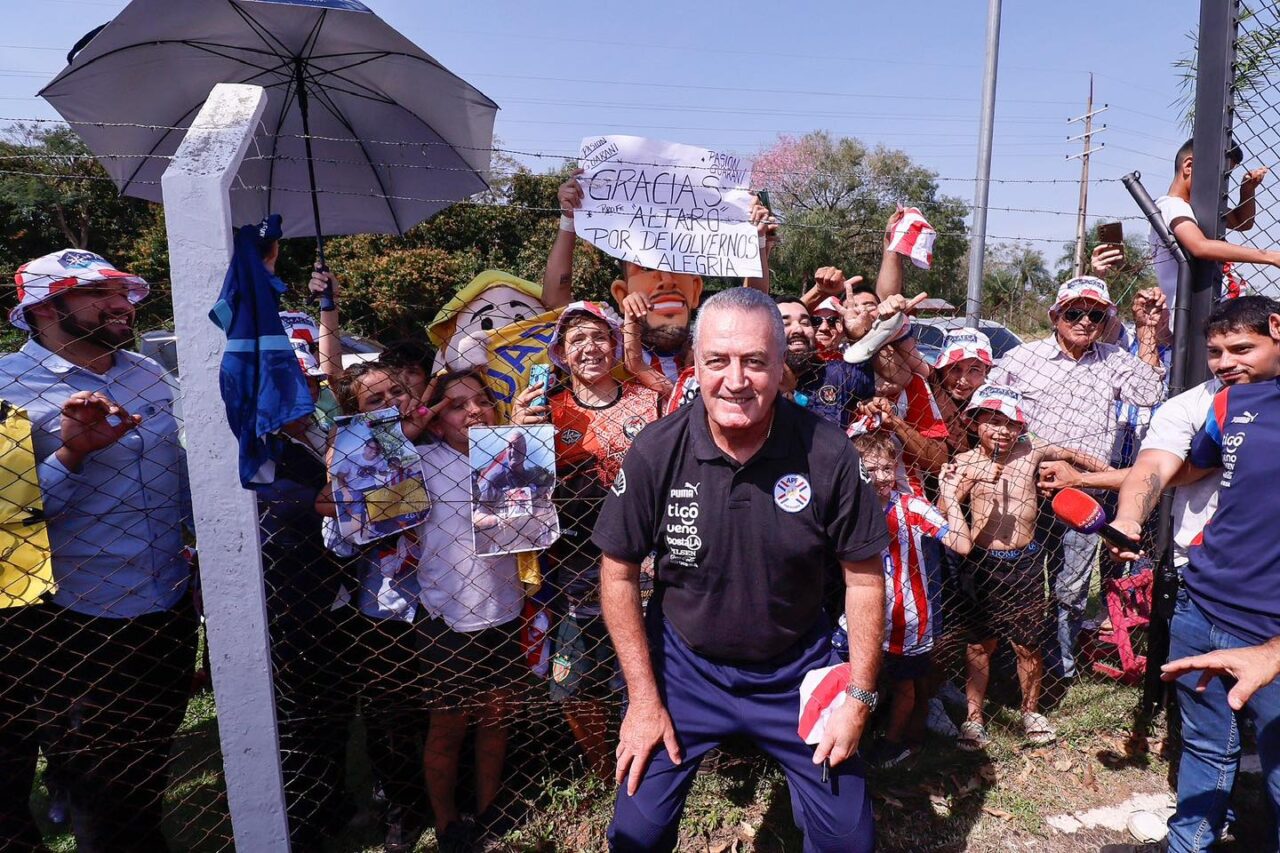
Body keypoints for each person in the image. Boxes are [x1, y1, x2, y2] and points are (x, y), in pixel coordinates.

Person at [593, 286, 890, 852]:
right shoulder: (657, 450)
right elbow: (618, 573)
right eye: (717, 361)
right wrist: (644, 699)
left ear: (780, 367)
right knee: (636, 836)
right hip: (683, 670)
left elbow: (864, 578)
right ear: (695, 363)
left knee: (848, 842)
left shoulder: (827, 452)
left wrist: (859, 695)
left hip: (797, 669)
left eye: (754, 361)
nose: (736, 380)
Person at [0, 249, 194, 851]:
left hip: (167, 600)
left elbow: (182, 473)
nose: (120, 304)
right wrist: (72, 454)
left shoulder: (148, 373)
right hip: (73, 615)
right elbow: (6, 517)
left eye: (122, 292)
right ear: (44, 309)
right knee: (101, 782)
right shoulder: (7, 385)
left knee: (148, 763)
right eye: (96, 294)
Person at [1108, 296, 1280, 852]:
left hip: (1272, 627)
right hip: (1202, 602)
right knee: (1205, 746)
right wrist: (1127, 512)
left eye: (1242, 348)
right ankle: (1190, 843)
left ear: (1278, 330)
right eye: (1216, 352)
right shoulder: (1228, 404)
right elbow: (1179, 466)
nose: (1226, 362)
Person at [510, 301, 662, 777]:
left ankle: (653, 760)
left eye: (599, 336)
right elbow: (517, 489)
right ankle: (602, 768)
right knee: (576, 676)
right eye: (577, 340)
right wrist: (516, 435)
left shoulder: (649, 399)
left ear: (615, 345)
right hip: (574, 560)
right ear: (560, 353)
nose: (590, 347)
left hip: (647, 555)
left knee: (648, 663)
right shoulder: (544, 410)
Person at [990, 276, 1167, 678]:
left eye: (1096, 315)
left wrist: (1147, 330)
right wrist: (1038, 453)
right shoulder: (1022, 358)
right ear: (1055, 315)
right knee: (1019, 581)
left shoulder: (1113, 359)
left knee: (1071, 587)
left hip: (1085, 490)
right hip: (1027, 485)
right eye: (1074, 312)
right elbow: (993, 414)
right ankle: (1012, 665)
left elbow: (1147, 393)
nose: (1085, 321)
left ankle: (1060, 668)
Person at [947, 385, 1111, 750]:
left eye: (1011, 423)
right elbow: (948, 508)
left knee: (1028, 643)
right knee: (980, 645)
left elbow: (1071, 453)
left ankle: (1030, 711)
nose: (1002, 430)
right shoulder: (965, 461)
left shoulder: (1031, 450)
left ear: (1021, 427)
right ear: (974, 423)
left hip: (1025, 562)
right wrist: (962, 485)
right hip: (982, 563)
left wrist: (1112, 475)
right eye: (992, 421)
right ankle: (974, 718)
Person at [416, 369, 529, 852]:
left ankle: (489, 809)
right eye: (457, 405)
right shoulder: (422, 462)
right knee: (447, 726)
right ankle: (447, 823)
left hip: (505, 608)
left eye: (480, 400)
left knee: (496, 719)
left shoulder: (514, 454)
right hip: (448, 617)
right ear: (437, 421)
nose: (473, 411)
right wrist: (415, 419)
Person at [851, 431, 971, 768]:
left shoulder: (911, 507)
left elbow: (962, 544)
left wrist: (949, 495)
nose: (881, 477)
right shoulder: (847, 508)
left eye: (887, 468)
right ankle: (856, 737)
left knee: (905, 683)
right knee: (858, 678)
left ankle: (895, 743)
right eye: (870, 470)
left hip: (907, 618)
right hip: (859, 615)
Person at [1130, 139, 1280, 330]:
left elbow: (1242, 222)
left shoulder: (1197, 207)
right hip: (1195, 317)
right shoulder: (1172, 205)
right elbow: (1199, 246)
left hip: (1213, 311)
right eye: (1221, 175)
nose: (1222, 184)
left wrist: (1247, 191)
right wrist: (1270, 257)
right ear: (1189, 166)